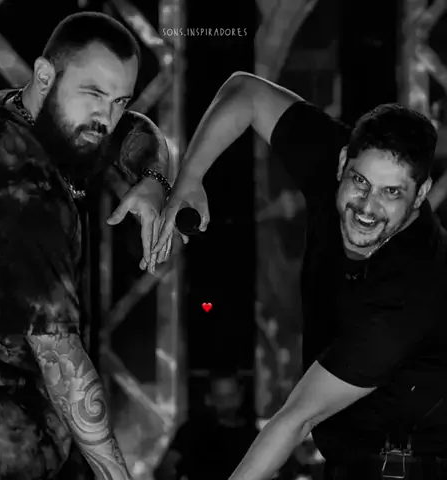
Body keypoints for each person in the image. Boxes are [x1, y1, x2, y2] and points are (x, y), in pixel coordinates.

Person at [154, 72, 447, 479]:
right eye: (360, 182)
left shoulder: (413, 288)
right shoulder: (336, 162)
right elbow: (246, 91)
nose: (367, 206)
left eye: (391, 193)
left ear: (420, 194)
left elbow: (297, 419)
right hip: (352, 462)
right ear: (342, 162)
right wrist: (189, 178)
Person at [0, 12, 178, 480]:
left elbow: (138, 129)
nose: (106, 117)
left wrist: (152, 180)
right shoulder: (19, 190)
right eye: (94, 94)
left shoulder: (14, 110)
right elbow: (60, 358)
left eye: (118, 99)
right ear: (45, 75)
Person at [155, 372, 258, 480]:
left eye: (231, 397)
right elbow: (165, 469)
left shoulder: (253, 435)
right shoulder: (192, 430)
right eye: (220, 399)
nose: (227, 404)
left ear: (240, 396)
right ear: (208, 399)